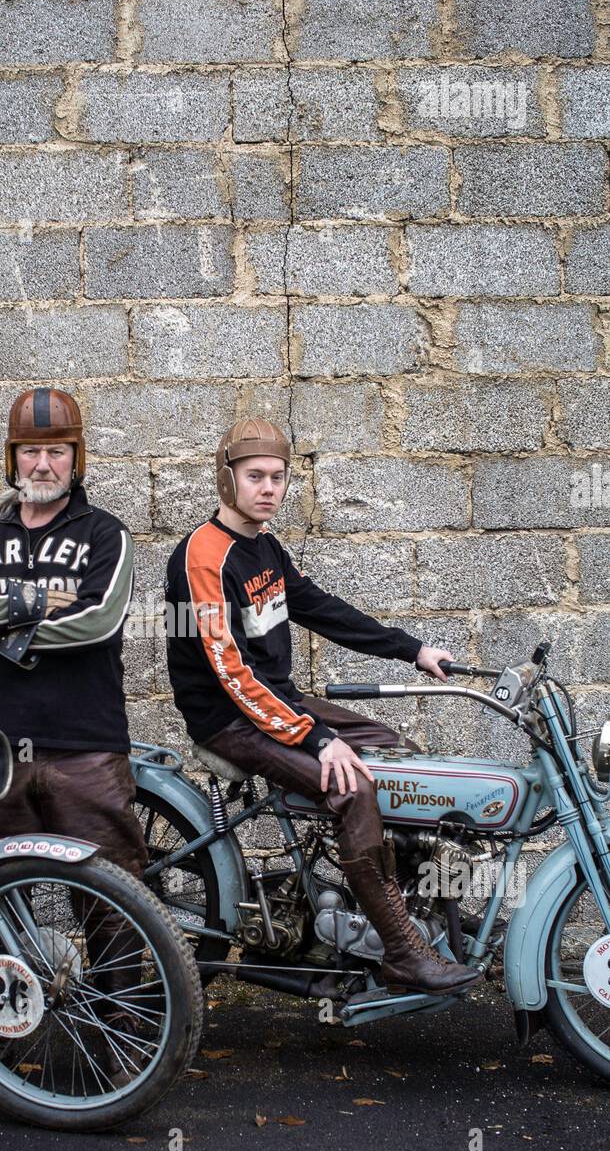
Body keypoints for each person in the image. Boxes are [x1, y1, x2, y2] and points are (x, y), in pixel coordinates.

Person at [164, 417, 479, 996]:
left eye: (277, 477)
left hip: (274, 703)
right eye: (255, 476)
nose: (268, 488)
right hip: (229, 717)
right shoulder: (202, 555)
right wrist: (315, 738)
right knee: (353, 786)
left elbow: (323, 609)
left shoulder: (265, 547)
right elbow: (229, 671)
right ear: (226, 479)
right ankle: (403, 954)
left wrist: (412, 650)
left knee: (396, 756)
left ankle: (404, 904)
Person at [0, 387, 148, 1095]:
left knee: (113, 901)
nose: (43, 462)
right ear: (12, 457)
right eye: (31, 450)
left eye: (56, 450)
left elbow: (98, 623)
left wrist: (0, 631)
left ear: (76, 458)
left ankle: (121, 1043)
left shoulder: (104, 534)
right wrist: (32, 602)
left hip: (86, 745)